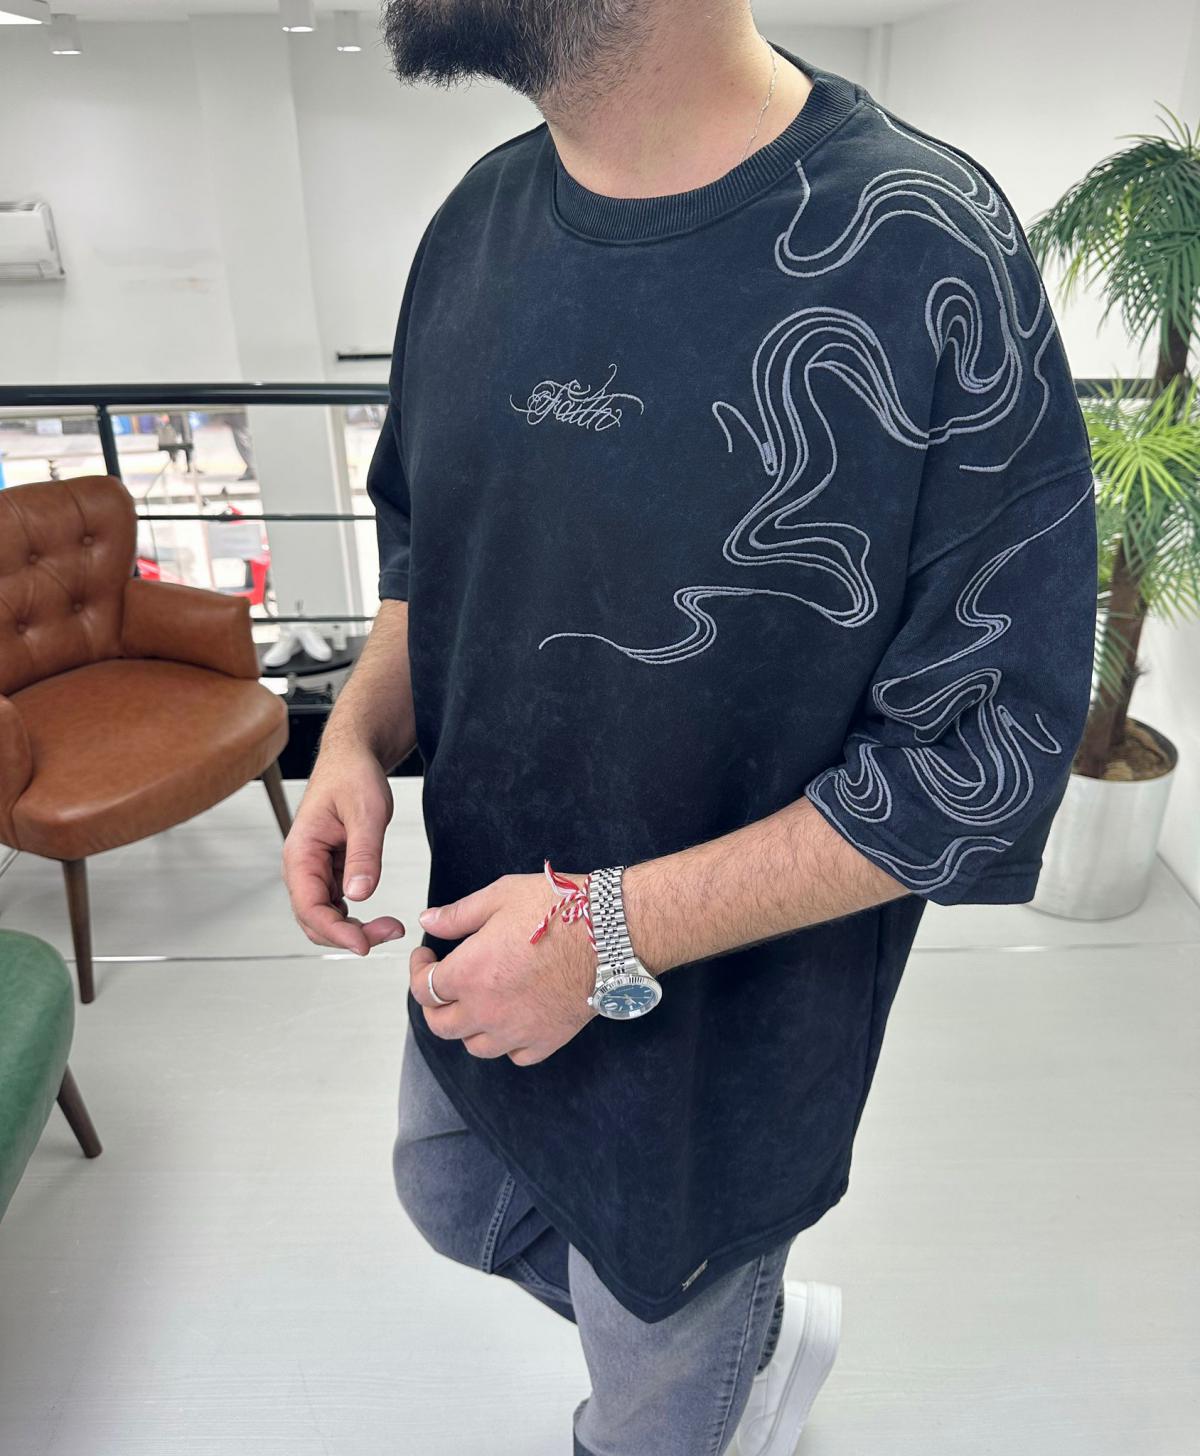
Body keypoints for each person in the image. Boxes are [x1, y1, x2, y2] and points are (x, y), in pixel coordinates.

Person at [282, 4, 1098, 1453]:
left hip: (732, 1026)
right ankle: (750, 1351)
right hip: (487, 924)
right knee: (449, 1191)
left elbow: (981, 753)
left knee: (652, 1403)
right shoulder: (476, 221)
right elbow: (426, 543)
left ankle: (724, 1373)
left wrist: (606, 935)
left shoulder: (924, 246)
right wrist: (355, 735)